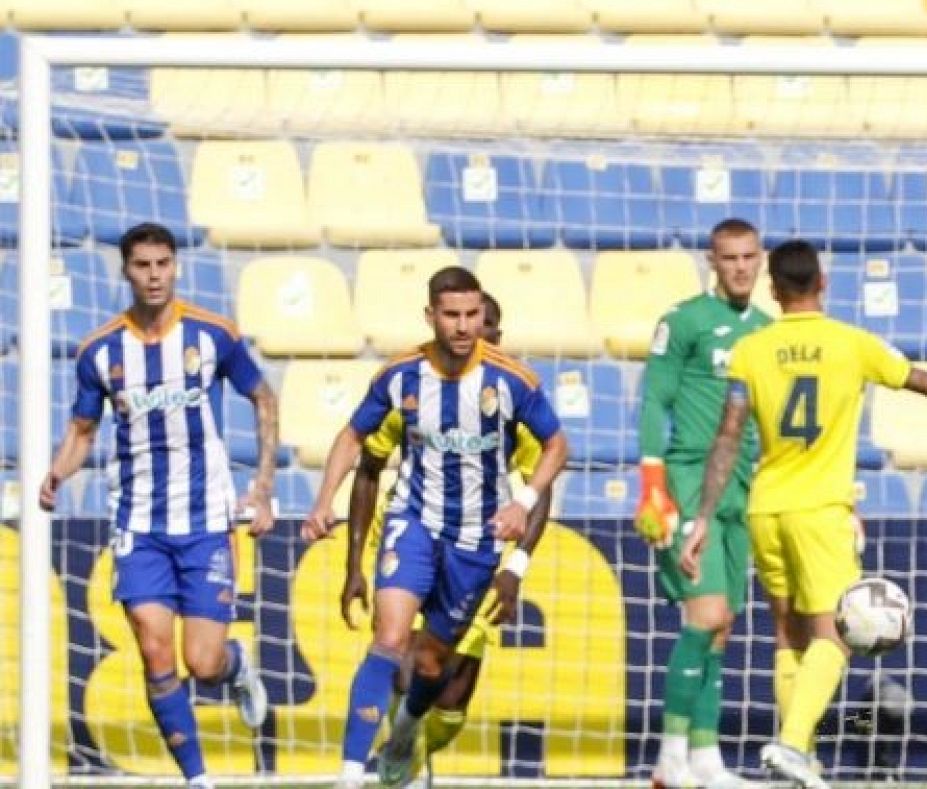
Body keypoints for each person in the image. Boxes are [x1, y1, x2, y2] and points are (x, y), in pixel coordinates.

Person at [679, 239, 927, 789]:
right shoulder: (851, 344)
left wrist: (704, 516)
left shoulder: (752, 350)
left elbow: (729, 436)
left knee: (789, 638)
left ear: (773, 289)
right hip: (820, 510)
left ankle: (801, 761)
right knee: (838, 635)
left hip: (765, 507)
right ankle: (793, 744)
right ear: (822, 283)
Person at [301, 266, 569, 789]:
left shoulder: (511, 380)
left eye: (473, 315)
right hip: (414, 521)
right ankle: (350, 774)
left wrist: (525, 501)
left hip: (476, 540)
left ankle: (404, 732)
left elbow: (558, 446)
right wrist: (321, 500)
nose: (465, 326)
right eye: (453, 315)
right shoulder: (402, 376)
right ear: (432, 316)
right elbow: (354, 439)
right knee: (390, 637)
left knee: (431, 667)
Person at [38, 222, 276, 789]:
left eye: (163, 264)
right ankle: (197, 778)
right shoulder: (100, 350)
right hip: (138, 522)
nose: (154, 276)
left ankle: (236, 666)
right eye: (143, 266)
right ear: (125, 271)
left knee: (204, 663)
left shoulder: (212, 334)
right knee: (152, 646)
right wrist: (56, 472)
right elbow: (82, 430)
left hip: (206, 521)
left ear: (175, 266)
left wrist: (262, 487)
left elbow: (262, 398)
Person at [632, 218, 772, 789]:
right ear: (711, 262)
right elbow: (654, 401)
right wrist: (652, 485)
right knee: (705, 614)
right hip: (690, 479)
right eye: (729, 258)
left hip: (743, 490)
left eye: (748, 257)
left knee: (722, 628)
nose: (740, 267)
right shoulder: (685, 321)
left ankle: (706, 758)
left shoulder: (767, 332)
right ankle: (669, 757)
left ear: (760, 260)